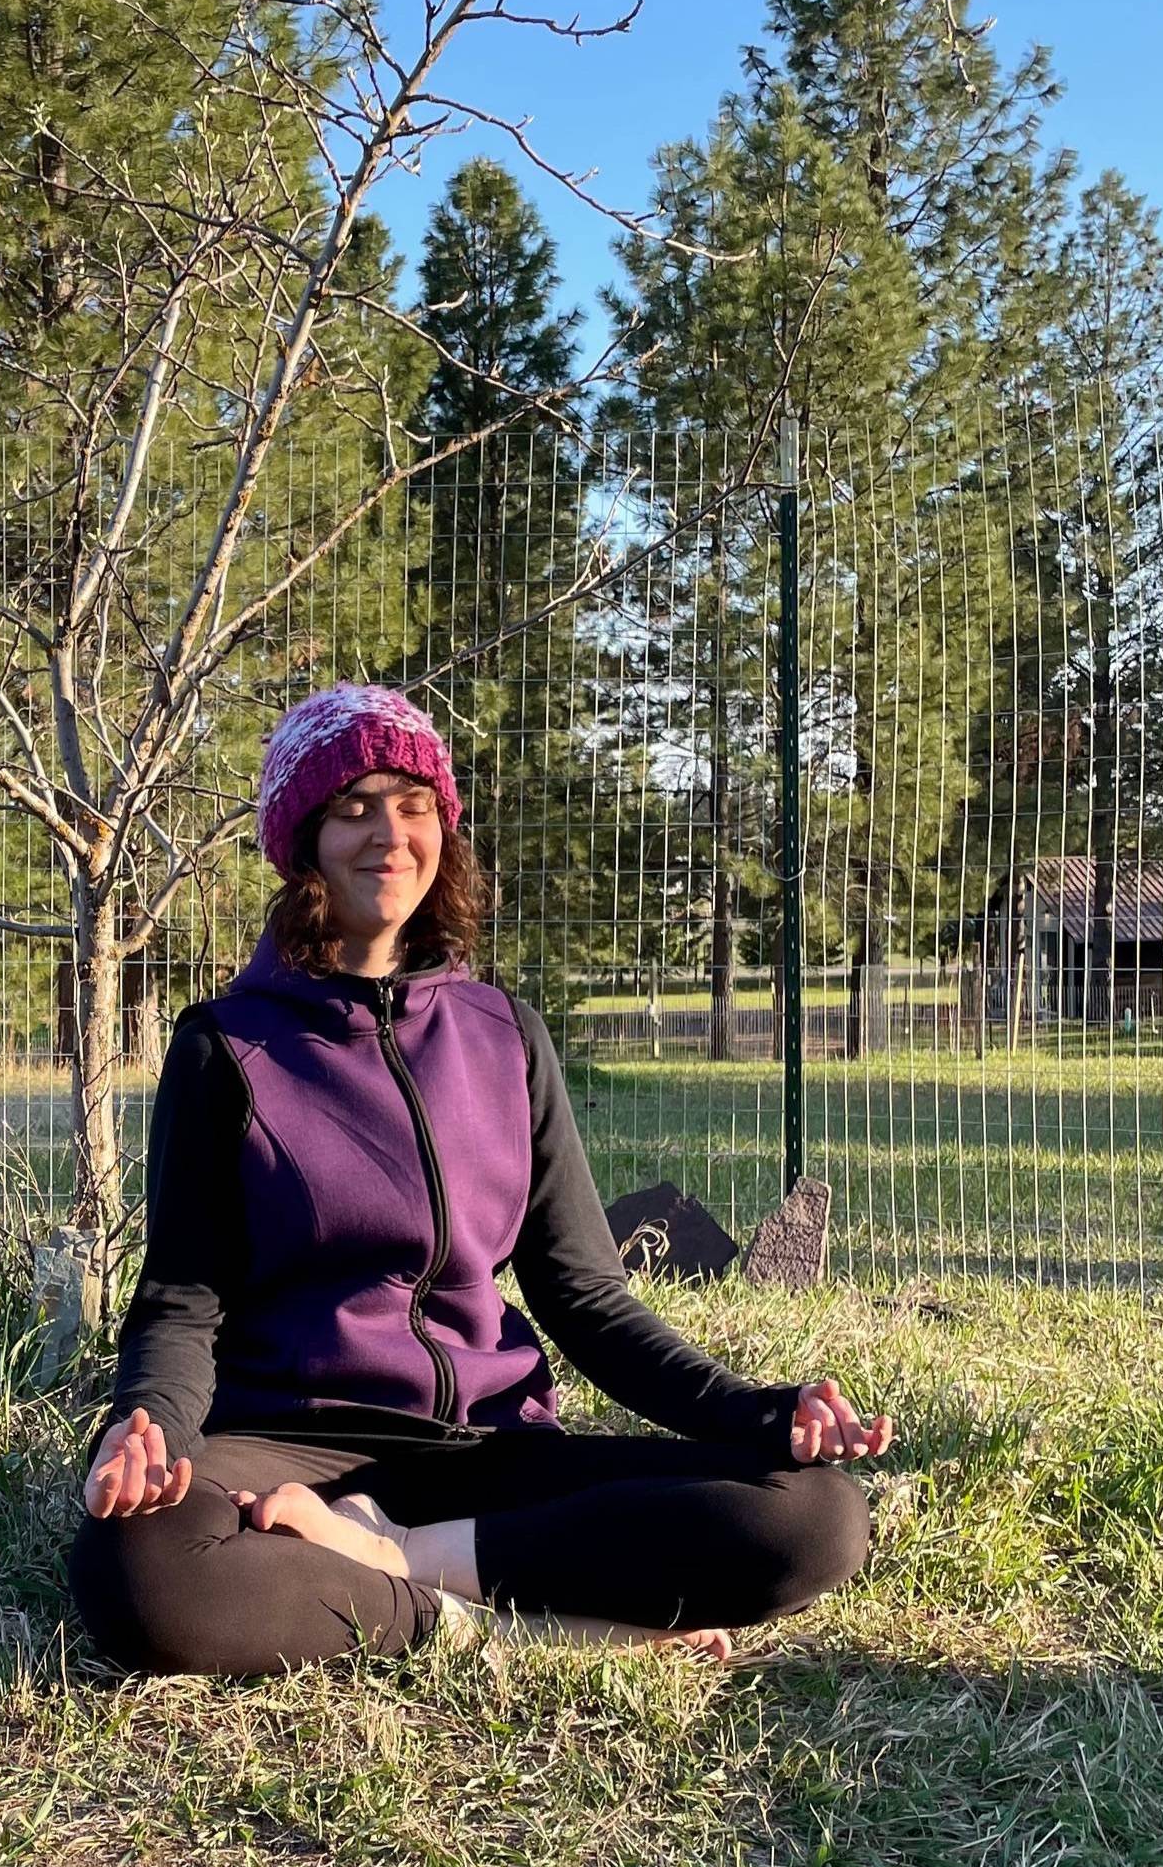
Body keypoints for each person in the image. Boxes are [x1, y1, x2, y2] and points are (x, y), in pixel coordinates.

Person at [65, 682, 892, 1680]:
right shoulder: (227, 1047)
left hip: (490, 1451)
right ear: (303, 840)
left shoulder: (505, 1036)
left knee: (815, 1517)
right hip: (291, 1447)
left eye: (412, 805)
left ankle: (401, 1563)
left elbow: (585, 1298)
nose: (389, 835)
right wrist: (147, 1422)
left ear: (444, 832)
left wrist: (759, 1412)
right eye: (354, 806)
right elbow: (182, 1300)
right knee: (141, 1567)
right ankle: (498, 1621)